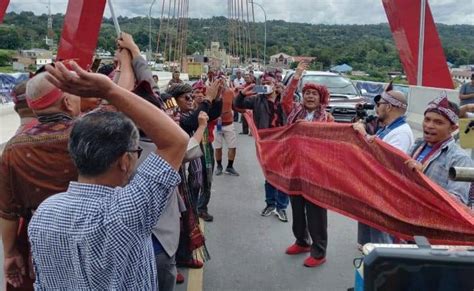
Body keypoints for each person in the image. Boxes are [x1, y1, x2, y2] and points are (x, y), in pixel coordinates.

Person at [28, 61, 189, 290]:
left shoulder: (44, 213)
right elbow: (176, 141)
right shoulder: (127, 210)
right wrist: (108, 90)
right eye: (136, 152)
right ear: (125, 161)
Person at [0, 68, 82, 291]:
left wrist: (10, 252)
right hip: (88, 239)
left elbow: (8, 212)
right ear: (66, 101)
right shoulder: (89, 136)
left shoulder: (13, 149)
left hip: (38, 244)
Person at [281, 61, 333, 268]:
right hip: (295, 168)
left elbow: (332, 147)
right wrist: (297, 75)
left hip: (316, 173)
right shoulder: (294, 111)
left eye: (314, 94)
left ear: (321, 99)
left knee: (316, 213)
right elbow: (285, 97)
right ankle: (302, 241)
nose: (310, 96)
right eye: (307, 93)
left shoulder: (328, 119)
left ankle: (319, 253)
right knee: (297, 208)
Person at [353, 83, 414, 245]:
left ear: (388, 107)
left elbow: (386, 164)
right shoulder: (388, 128)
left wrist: (364, 135)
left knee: (382, 245)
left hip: (385, 198)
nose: (376, 108)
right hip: (375, 194)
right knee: (370, 244)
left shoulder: (401, 133)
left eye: (379, 105)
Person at [234, 72, 289, 222]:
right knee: (270, 174)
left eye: (269, 83)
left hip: (284, 141)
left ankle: (281, 207)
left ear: (276, 85)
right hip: (266, 141)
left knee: (284, 175)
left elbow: (295, 106)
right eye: (263, 84)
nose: (266, 86)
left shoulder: (284, 100)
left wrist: (283, 93)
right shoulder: (257, 100)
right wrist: (242, 94)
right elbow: (238, 105)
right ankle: (270, 204)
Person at [405, 93, 473, 205]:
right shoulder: (418, 145)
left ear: (453, 128)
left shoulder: (460, 159)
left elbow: (457, 203)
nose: (429, 125)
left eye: (438, 122)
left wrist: (423, 179)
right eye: (427, 119)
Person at [214, 84, 240, 176]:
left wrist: (244, 111)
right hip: (216, 125)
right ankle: (219, 166)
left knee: (232, 146)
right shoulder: (213, 93)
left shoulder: (230, 92)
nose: (221, 83)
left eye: (223, 81)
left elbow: (235, 106)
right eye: (219, 81)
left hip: (229, 123)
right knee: (218, 147)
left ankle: (230, 167)